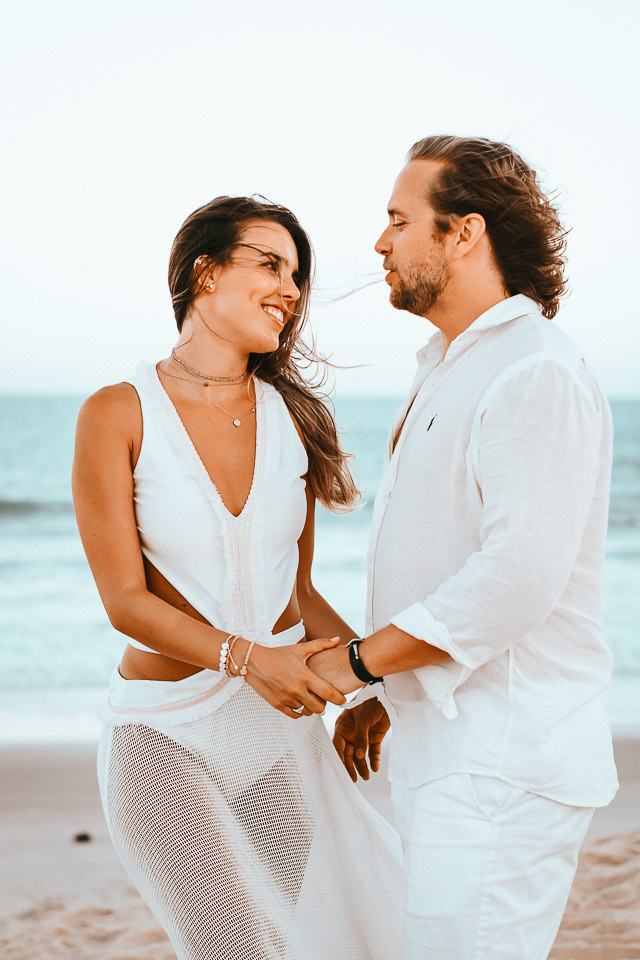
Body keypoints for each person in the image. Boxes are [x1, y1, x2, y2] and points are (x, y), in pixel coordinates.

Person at [307, 136, 619, 959]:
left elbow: (516, 578)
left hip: (502, 767)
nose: (380, 243)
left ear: (464, 232)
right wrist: (390, 693)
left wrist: (363, 661)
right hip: (446, 752)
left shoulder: (535, 372)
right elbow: (444, 557)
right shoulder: (452, 367)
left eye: (400, 221)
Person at [72, 195, 403, 960]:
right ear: (203, 272)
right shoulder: (117, 413)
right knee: (233, 950)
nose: (290, 288)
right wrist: (250, 659)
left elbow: (300, 596)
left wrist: (371, 684)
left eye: (296, 274)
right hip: (164, 736)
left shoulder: (298, 418)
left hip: (274, 744)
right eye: (269, 263)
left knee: (292, 943)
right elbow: (125, 602)